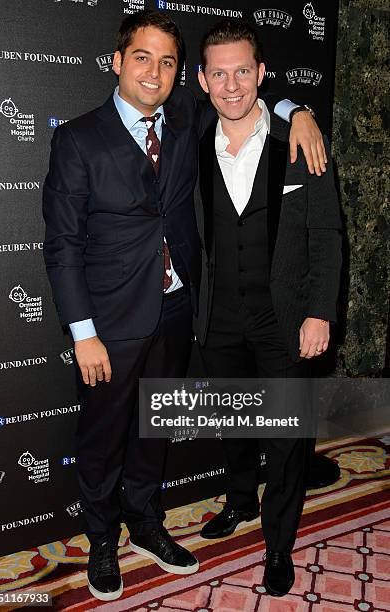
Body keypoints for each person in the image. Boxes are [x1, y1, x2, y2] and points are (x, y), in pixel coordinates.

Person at [43, 9, 327, 602]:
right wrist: (82, 330)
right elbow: (63, 244)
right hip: (109, 325)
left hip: (177, 313)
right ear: (117, 63)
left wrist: (296, 112)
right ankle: (101, 539)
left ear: (182, 75)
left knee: (154, 433)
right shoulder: (77, 138)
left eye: (167, 61)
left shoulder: (185, 120)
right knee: (103, 438)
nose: (154, 72)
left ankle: (145, 523)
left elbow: (247, 95)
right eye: (141, 58)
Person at [194, 20, 342, 597]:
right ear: (202, 80)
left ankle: (279, 544)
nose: (232, 85)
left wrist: (319, 311)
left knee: (284, 441)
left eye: (242, 71)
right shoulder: (191, 139)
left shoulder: (298, 141)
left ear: (261, 74)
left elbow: (328, 233)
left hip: (283, 320)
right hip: (219, 319)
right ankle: (238, 502)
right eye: (219, 73)